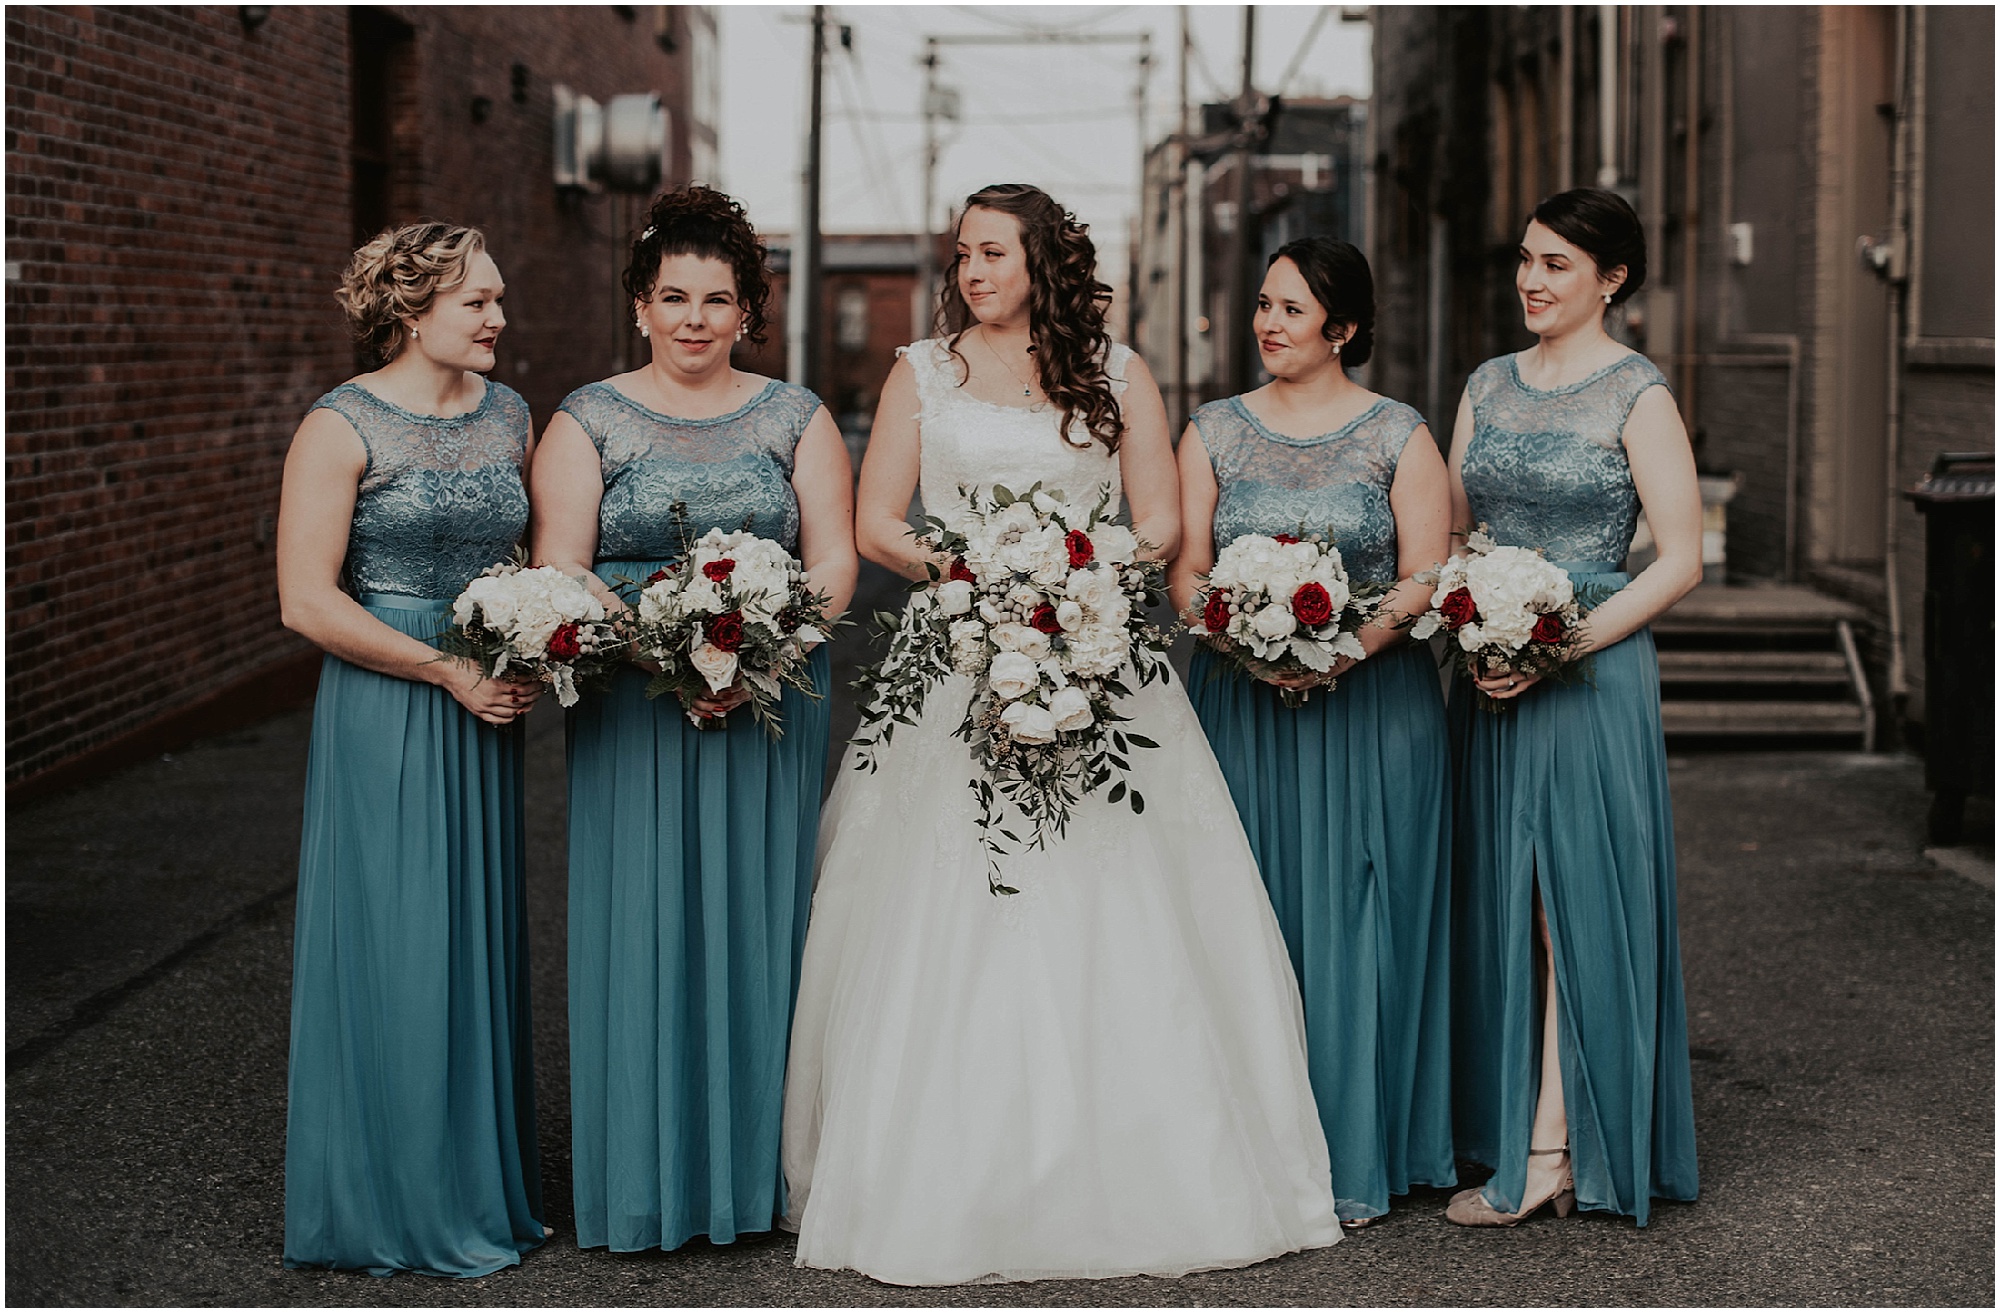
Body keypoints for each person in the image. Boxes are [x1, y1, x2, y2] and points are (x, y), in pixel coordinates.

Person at [781, 183, 1340, 1286]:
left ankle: (1137, 1159)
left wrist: (1077, 576)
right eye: (962, 254)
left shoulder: (1118, 371)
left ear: (1042, 261)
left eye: (992, 252)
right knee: (942, 895)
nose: (972, 271)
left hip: (1092, 649)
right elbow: (877, 521)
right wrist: (979, 574)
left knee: (1118, 891)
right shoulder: (920, 372)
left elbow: (1160, 517)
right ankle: (943, 1171)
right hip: (959, 650)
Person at [529, 184, 857, 1254]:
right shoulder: (586, 418)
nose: (694, 319)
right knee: (641, 922)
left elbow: (832, 561)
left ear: (747, 310)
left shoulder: (796, 416)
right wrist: (672, 656)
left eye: (717, 299)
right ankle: (642, 1176)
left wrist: (757, 655)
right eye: (673, 296)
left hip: (768, 700)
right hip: (634, 701)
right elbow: (563, 564)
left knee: (758, 920)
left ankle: (752, 1178)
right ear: (639, 303)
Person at [277, 222, 546, 1276]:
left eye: (497, 298)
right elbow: (306, 600)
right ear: (411, 308)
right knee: (397, 937)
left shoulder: (510, 414)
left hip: (486, 702)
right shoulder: (338, 425)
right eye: (477, 301)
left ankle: (473, 1183)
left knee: (470, 935)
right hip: (390, 700)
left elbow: (532, 559)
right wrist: (445, 670)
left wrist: (535, 638)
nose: (497, 317)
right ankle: (386, 1197)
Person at [1171, 238, 1457, 1228]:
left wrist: (1347, 645)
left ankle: (1363, 1142)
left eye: (1290, 309)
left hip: (1373, 705)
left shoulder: (1398, 433)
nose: (1267, 323)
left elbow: (1426, 570)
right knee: (1242, 911)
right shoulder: (1211, 430)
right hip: (1240, 703)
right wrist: (1236, 632)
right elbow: (1185, 569)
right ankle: (1249, 1149)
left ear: (1343, 326)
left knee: (1365, 916)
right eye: (1263, 303)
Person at [1443, 187, 1702, 1226]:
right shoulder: (1484, 384)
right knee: (1502, 896)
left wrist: (1556, 645)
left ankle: (1552, 1148)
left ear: (1612, 278)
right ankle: (1507, 1118)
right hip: (1487, 671)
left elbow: (1678, 560)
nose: (1530, 279)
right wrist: (1471, 620)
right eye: (1525, 258)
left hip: (1589, 671)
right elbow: (1454, 534)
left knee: (1567, 900)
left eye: (1555, 263)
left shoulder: (1637, 394)